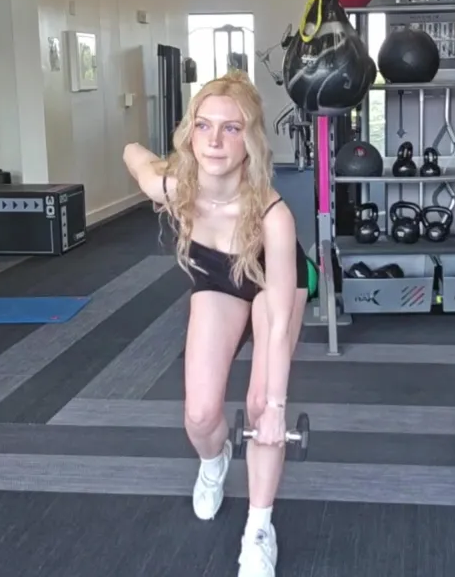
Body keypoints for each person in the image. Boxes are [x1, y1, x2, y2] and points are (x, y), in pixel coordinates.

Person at [124, 72, 307, 577]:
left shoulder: (273, 216)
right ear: (190, 133)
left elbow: (277, 324)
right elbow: (133, 154)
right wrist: (145, 164)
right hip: (216, 278)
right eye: (203, 125)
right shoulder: (173, 187)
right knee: (201, 415)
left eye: (231, 128)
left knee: (260, 406)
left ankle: (259, 528)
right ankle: (214, 460)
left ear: (251, 140)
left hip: (273, 283)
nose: (214, 140)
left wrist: (277, 408)